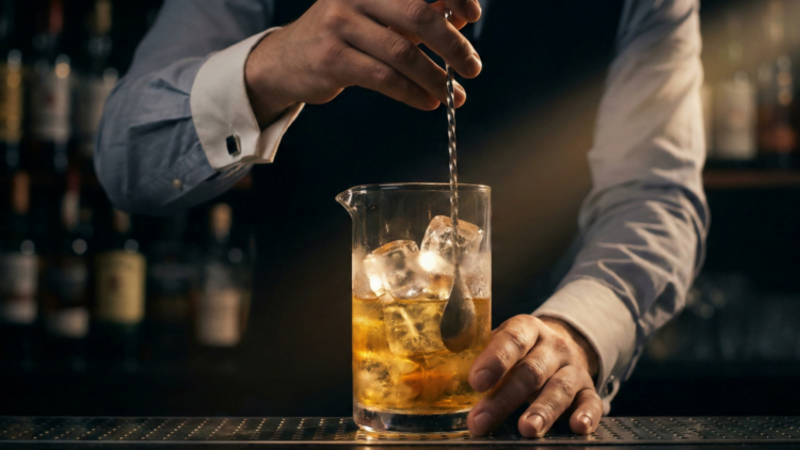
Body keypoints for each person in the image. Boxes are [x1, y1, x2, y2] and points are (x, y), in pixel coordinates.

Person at [96, 0, 708, 438]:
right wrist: (273, 64)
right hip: (285, 419)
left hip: (525, 423)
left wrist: (576, 330)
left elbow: (654, 195)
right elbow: (127, 160)